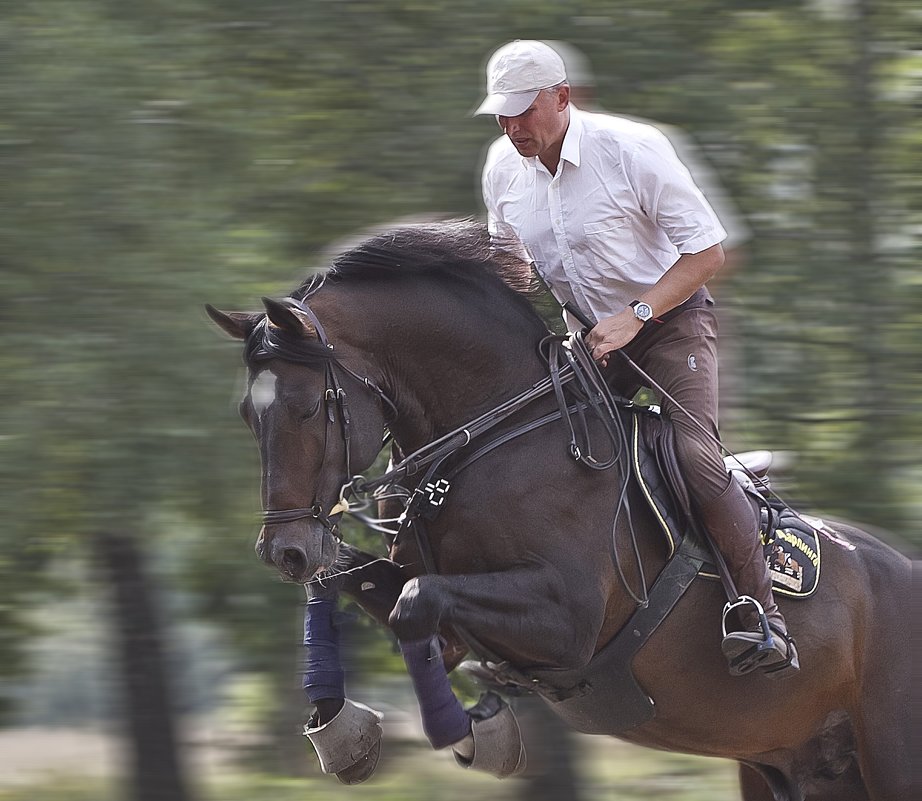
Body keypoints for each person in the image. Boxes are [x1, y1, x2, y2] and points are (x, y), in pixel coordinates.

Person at [476, 39, 798, 677]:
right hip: (591, 340)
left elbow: (707, 252)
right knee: (515, 442)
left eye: (524, 112)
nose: (512, 127)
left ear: (562, 98)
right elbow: (508, 268)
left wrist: (638, 317)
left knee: (691, 456)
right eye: (501, 116)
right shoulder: (501, 166)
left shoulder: (631, 150)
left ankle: (761, 615)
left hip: (673, 325)